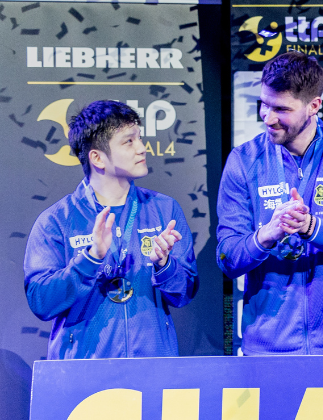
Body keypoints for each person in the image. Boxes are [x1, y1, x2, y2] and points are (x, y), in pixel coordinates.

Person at [216, 51, 323, 355]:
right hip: (268, 347)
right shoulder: (244, 160)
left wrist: (311, 227)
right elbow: (227, 259)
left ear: (314, 105)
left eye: (281, 108)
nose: (268, 117)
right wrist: (265, 236)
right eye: (264, 104)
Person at [25, 100, 196, 359]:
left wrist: (164, 265)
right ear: (97, 158)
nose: (142, 148)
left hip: (152, 369)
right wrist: (90, 259)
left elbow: (185, 292)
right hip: (84, 376)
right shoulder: (56, 221)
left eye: (140, 138)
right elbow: (41, 302)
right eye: (129, 141)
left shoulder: (164, 209)